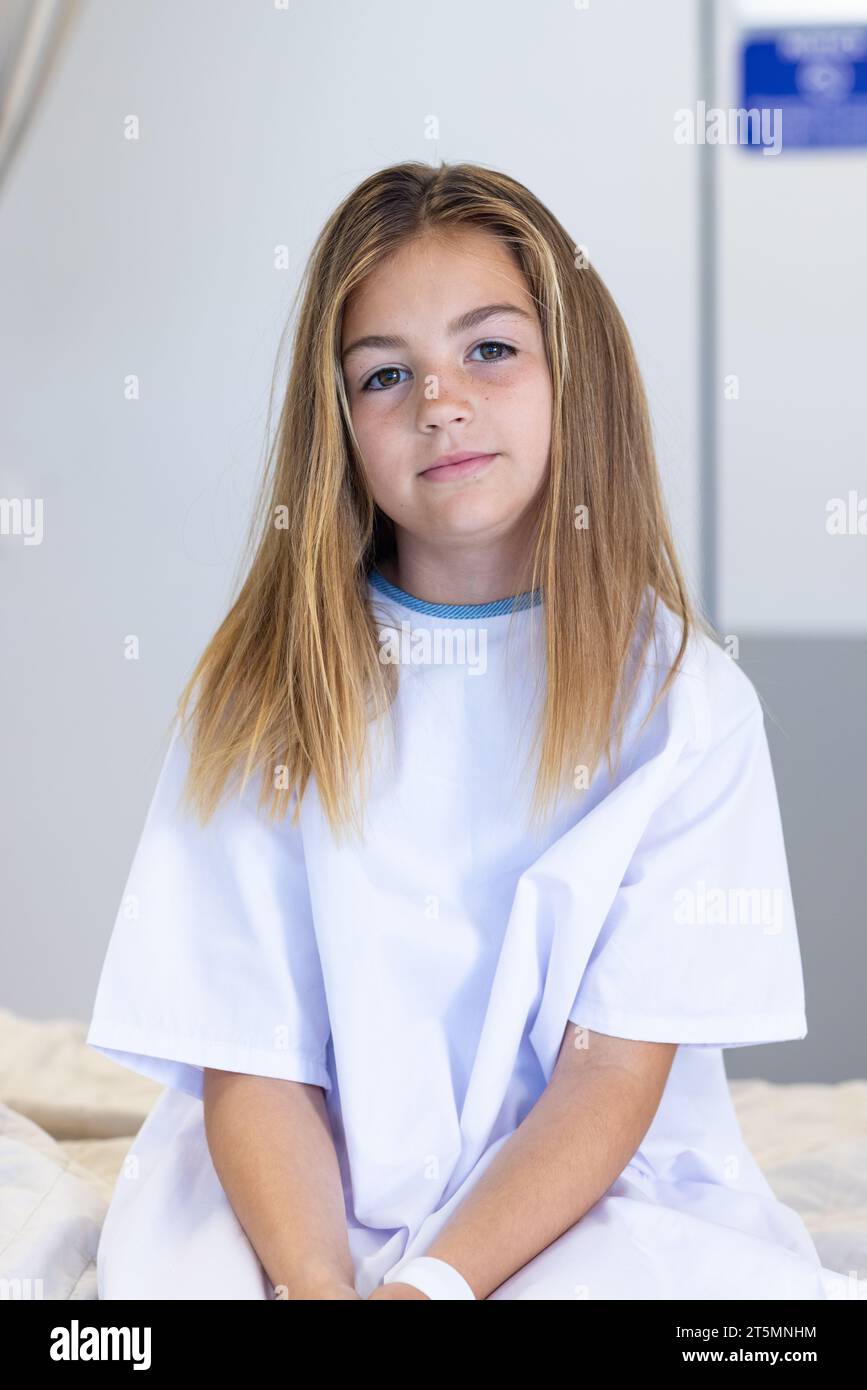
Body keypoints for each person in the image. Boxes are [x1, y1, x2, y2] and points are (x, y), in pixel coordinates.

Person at [87, 160, 857, 1302]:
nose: (439, 400)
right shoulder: (264, 691)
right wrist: (315, 1283)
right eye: (385, 374)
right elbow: (251, 1053)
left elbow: (608, 1078)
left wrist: (430, 1285)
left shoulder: (684, 704)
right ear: (338, 424)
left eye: (488, 349)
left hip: (578, 1189)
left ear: (571, 371)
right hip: (295, 1187)